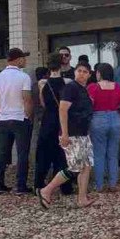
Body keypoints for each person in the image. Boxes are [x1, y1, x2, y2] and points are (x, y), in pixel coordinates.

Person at [38, 61, 95, 209]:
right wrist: (64, 133)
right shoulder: (71, 88)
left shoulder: (84, 90)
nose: (81, 73)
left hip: (83, 134)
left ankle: (82, 198)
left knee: (86, 165)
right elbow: (62, 110)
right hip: (72, 134)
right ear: (75, 72)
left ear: (89, 75)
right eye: (79, 70)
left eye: (85, 71)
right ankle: (47, 190)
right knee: (75, 166)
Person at [0, 48, 33, 195]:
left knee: (2, 152)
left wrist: (0, 112)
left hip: (5, 119)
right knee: (22, 153)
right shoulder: (23, 77)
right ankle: (20, 186)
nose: (25, 61)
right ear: (19, 59)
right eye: (24, 58)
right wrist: (28, 115)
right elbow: (27, 98)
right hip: (20, 118)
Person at [34, 54, 73, 195]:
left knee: (43, 153)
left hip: (47, 119)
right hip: (62, 120)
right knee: (63, 154)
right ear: (61, 64)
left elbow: (43, 102)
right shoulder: (68, 82)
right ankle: (65, 187)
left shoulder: (42, 83)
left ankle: (38, 184)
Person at [87, 62, 120, 191]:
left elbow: (89, 105)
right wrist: (117, 115)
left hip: (98, 119)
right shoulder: (117, 87)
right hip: (115, 118)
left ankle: (99, 185)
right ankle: (112, 184)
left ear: (99, 73)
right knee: (112, 153)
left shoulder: (93, 87)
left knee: (99, 154)